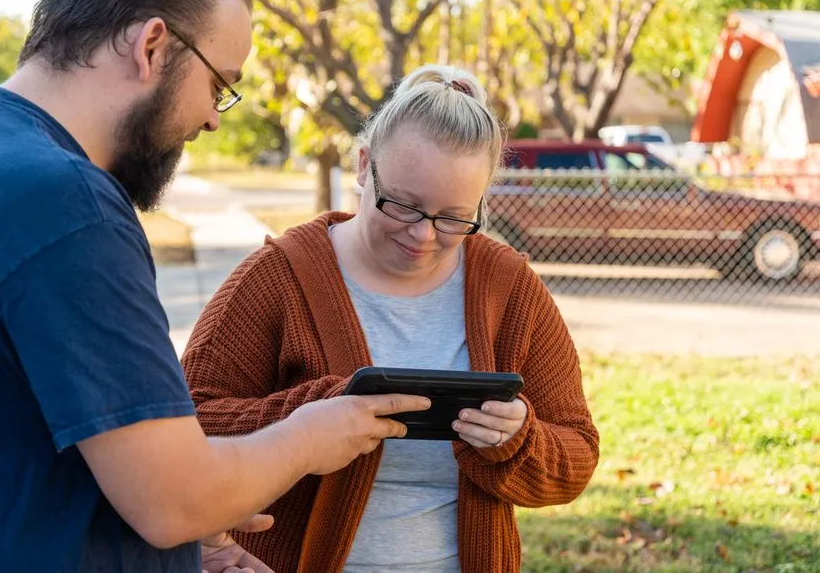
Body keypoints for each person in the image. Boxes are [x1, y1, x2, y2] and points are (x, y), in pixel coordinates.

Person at [0, 0, 430, 573]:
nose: (212, 116)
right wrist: (311, 436)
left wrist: (190, 535)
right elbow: (173, 500)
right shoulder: (64, 204)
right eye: (219, 84)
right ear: (152, 45)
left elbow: (6, 434)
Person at [182, 65, 601, 572]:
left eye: (453, 218)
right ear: (363, 165)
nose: (423, 236)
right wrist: (307, 423)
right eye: (402, 205)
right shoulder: (279, 277)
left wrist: (518, 440)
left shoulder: (509, 289)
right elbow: (185, 429)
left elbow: (576, 458)